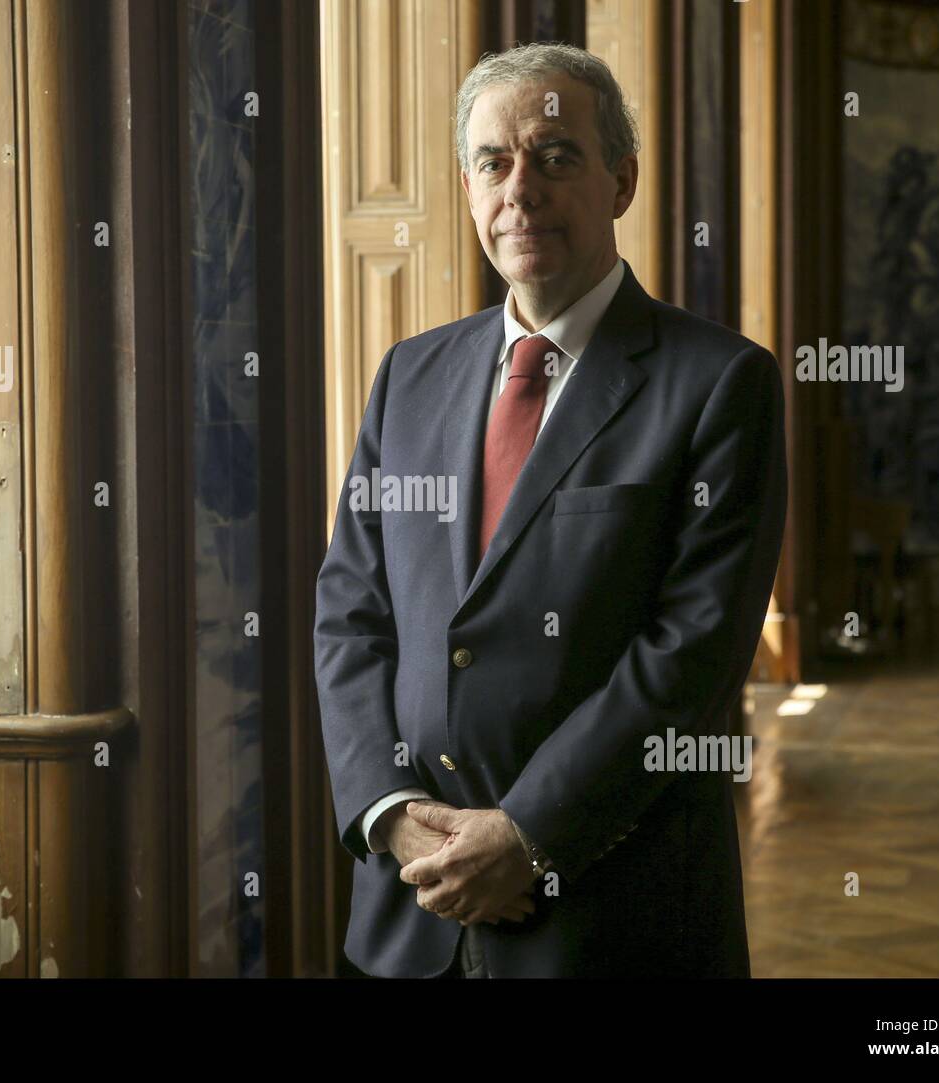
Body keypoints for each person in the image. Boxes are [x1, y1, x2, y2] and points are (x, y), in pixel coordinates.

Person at [314, 42, 787, 978]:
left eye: (556, 155)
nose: (520, 188)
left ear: (622, 180)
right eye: (494, 162)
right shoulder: (409, 375)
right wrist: (388, 812)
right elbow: (349, 609)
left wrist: (528, 833)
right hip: (410, 913)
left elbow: (691, 655)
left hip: (612, 917)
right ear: (468, 186)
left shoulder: (720, 381)